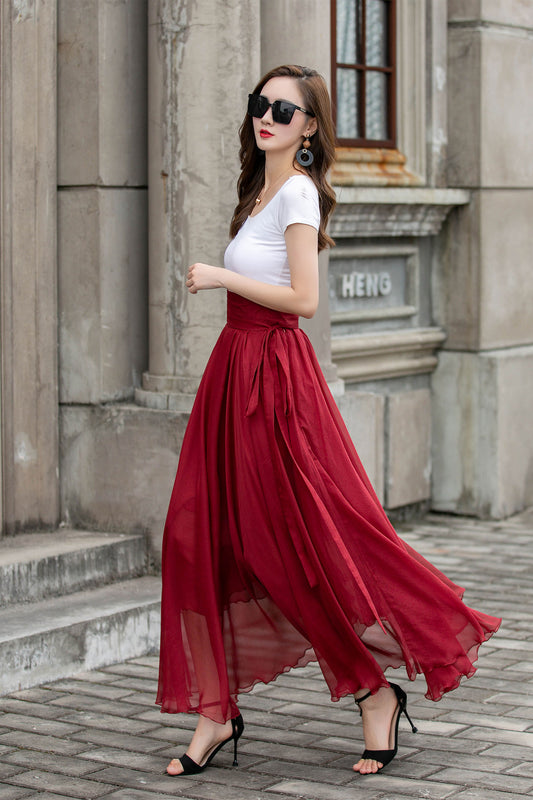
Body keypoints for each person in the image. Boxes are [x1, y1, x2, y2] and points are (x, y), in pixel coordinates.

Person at [156, 64, 501, 778]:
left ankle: (374, 690)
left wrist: (220, 277)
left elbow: (303, 300)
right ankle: (216, 713)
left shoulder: (300, 194)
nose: (268, 116)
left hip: (274, 382)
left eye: (285, 109)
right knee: (208, 540)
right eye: (261, 103)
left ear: (309, 127)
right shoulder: (258, 191)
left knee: (296, 546)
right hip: (234, 374)